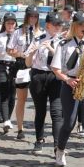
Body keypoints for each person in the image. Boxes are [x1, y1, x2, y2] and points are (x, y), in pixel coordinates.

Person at [52, 11, 84, 167]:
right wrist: (67, 80)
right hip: (70, 83)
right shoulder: (65, 45)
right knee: (69, 122)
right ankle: (60, 150)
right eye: (81, 25)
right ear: (74, 26)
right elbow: (56, 69)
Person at [25, 12, 64, 155]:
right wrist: (30, 53)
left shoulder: (63, 41)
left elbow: (65, 63)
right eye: (56, 25)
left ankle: (57, 146)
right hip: (39, 75)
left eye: (60, 25)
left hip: (56, 76)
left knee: (56, 112)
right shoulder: (37, 39)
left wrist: (52, 50)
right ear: (47, 25)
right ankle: (39, 139)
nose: (59, 27)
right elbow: (28, 63)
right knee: (40, 110)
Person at [7, 5, 43, 139]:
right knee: (21, 99)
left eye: (35, 16)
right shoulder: (18, 32)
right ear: (27, 17)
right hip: (21, 66)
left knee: (37, 100)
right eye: (31, 16)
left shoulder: (41, 32)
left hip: (36, 66)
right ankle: (20, 129)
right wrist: (20, 54)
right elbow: (9, 50)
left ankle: (37, 128)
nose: (33, 18)